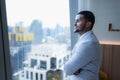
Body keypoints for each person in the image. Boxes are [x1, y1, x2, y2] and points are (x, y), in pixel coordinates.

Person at [64, 10, 101, 80]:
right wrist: (75, 68)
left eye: (78, 21)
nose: (74, 24)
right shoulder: (85, 39)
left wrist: (74, 68)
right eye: (75, 21)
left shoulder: (88, 43)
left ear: (88, 24)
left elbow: (68, 69)